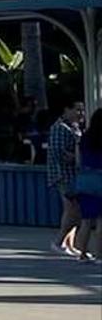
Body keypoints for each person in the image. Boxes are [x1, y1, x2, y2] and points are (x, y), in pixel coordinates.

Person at [46, 102, 84, 257]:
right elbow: (57, 153)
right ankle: (59, 241)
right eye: (77, 109)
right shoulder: (60, 128)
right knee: (72, 210)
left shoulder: (74, 127)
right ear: (66, 109)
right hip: (64, 174)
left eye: (82, 110)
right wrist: (76, 158)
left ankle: (69, 243)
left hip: (73, 175)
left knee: (71, 210)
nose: (81, 113)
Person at [70, 109, 101, 262]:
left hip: (85, 178)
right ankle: (100, 254)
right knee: (101, 220)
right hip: (100, 177)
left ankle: (82, 253)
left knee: (86, 219)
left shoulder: (85, 138)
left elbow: (77, 159)